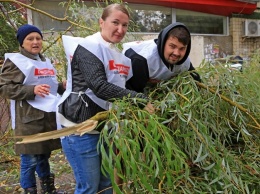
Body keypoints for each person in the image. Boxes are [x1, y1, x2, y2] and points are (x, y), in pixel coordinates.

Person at [56, 3, 154, 194]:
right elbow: (100, 86)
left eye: (125, 25)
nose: (120, 29)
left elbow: (121, 88)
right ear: (102, 22)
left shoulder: (120, 56)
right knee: (89, 187)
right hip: (79, 128)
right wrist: (140, 100)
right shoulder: (87, 46)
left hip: (105, 129)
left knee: (107, 184)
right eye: (115, 23)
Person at [0, 24, 66, 194]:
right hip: (28, 120)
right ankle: (30, 190)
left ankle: (48, 189)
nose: (35, 41)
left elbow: (47, 87)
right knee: (29, 159)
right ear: (22, 43)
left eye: (38, 38)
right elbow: (4, 88)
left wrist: (60, 87)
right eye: (30, 39)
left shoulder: (44, 61)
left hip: (46, 117)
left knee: (44, 155)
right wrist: (31, 91)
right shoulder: (15, 62)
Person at [123, 22, 201, 93]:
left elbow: (196, 82)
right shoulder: (142, 60)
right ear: (163, 43)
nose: (176, 53)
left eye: (182, 48)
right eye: (172, 46)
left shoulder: (185, 61)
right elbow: (133, 95)